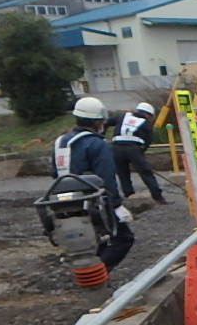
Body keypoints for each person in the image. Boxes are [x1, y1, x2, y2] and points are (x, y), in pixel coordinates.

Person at [52, 96, 135, 270]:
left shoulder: (60, 142)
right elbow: (106, 177)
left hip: (61, 205)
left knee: (91, 242)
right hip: (92, 202)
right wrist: (116, 205)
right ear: (98, 121)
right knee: (122, 238)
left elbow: (55, 173)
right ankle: (96, 273)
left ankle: (91, 271)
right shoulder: (96, 144)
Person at [107, 101, 167, 204]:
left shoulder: (123, 116)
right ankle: (157, 196)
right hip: (133, 149)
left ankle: (129, 195)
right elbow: (148, 140)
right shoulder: (145, 123)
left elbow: (106, 122)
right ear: (148, 114)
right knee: (145, 172)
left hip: (116, 147)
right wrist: (141, 152)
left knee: (123, 172)